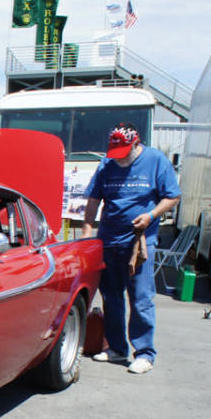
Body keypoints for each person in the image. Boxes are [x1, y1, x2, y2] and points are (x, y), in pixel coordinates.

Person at [81, 122, 181, 375]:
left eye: (125, 153)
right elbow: (94, 199)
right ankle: (116, 348)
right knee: (111, 297)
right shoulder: (107, 163)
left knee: (140, 298)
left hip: (139, 242)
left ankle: (145, 353)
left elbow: (173, 196)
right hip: (109, 240)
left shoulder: (155, 160)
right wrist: (86, 233)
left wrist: (151, 215)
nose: (120, 159)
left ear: (136, 144)